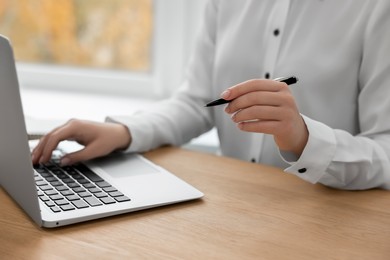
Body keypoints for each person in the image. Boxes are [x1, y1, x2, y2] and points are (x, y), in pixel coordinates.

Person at [32, 0, 390, 190]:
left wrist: (304, 139)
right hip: (233, 209)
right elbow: (197, 101)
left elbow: (385, 149)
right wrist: (125, 132)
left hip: (333, 220)